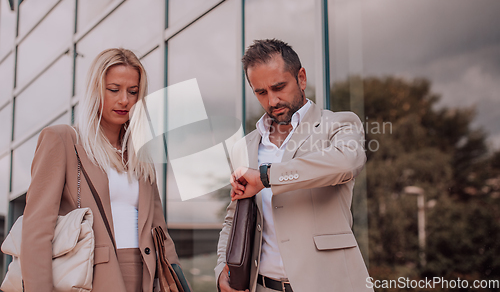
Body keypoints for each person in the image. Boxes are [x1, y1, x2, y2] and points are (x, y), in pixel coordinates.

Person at [215, 39, 373, 292]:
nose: (273, 100)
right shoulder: (243, 147)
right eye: (261, 92)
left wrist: (267, 177)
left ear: (301, 78)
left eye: (279, 87)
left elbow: (347, 162)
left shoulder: (340, 124)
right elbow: (233, 219)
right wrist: (222, 268)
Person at [20, 48, 180, 292]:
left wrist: (176, 281)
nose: (124, 100)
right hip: (91, 279)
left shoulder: (140, 154)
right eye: (114, 89)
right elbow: (37, 231)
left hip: (145, 279)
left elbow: (160, 233)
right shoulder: (63, 140)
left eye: (133, 92)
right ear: (95, 90)